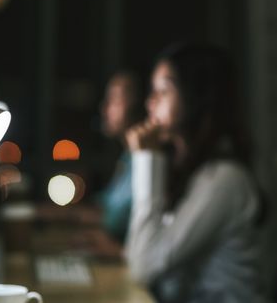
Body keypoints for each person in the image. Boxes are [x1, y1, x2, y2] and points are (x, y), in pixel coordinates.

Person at [125, 43, 266, 303]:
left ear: (197, 96)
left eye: (163, 90)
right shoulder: (191, 171)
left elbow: (142, 268)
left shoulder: (224, 178)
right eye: (152, 90)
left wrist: (146, 158)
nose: (150, 101)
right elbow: (141, 254)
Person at [97, 70, 145, 244]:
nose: (105, 108)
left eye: (115, 99)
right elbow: (104, 208)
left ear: (141, 104)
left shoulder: (147, 162)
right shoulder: (127, 157)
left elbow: (114, 219)